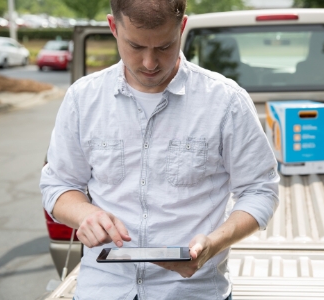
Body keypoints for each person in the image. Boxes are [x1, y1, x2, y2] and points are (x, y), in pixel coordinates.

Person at [39, 0, 279, 299]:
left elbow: (260, 190)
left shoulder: (226, 102)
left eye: (165, 47)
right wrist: (83, 213)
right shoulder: (82, 99)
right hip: (102, 288)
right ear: (113, 28)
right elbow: (59, 183)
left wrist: (215, 243)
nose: (150, 63)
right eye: (136, 47)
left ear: (182, 27)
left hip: (194, 292)